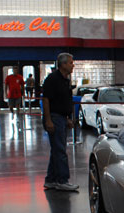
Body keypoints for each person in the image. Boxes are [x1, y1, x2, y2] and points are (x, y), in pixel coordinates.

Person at [41, 53, 79, 192]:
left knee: (57, 150)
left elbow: (64, 101)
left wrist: (67, 118)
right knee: (60, 151)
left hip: (61, 118)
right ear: (63, 64)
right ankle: (62, 180)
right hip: (54, 118)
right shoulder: (52, 79)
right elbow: (46, 100)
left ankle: (51, 180)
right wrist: (48, 120)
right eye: (70, 62)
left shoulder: (65, 80)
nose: (72, 65)